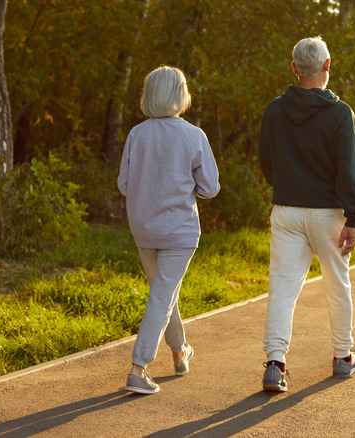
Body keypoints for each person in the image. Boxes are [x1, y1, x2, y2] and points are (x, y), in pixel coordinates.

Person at [258, 36, 355, 392]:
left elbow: (266, 163)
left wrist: (288, 186)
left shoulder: (274, 110)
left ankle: (275, 365)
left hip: (286, 211)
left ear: (294, 68)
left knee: (282, 288)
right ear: (327, 65)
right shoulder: (340, 113)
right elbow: (349, 172)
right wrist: (353, 217)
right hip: (328, 214)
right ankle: (342, 357)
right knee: (337, 285)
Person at [117, 65, 220, 394]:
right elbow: (210, 187)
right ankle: (138, 368)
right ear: (180, 95)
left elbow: (123, 184)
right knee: (162, 296)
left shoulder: (136, 134)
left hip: (144, 229)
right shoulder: (193, 136)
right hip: (179, 231)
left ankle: (179, 354)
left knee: (164, 294)